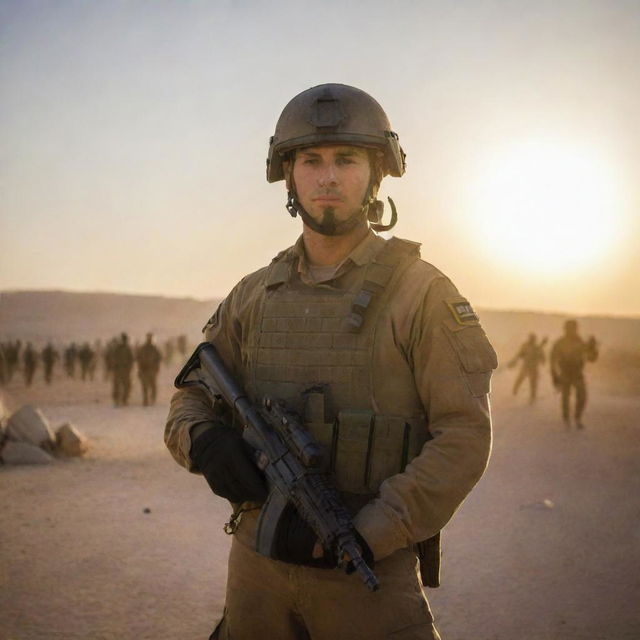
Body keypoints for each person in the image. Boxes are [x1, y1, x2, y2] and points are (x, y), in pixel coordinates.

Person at [165, 83, 497, 640]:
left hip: (363, 567)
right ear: (289, 176)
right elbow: (192, 393)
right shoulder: (253, 295)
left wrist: (371, 532)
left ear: (376, 174)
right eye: (311, 161)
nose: (327, 177)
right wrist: (201, 439)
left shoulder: (423, 295)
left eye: (346, 159)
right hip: (257, 566)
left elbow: (464, 435)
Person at [550, 319, 598, 429]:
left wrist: (593, 348)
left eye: (573, 328)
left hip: (577, 373)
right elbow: (552, 360)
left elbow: (591, 358)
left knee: (582, 397)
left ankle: (577, 418)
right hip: (565, 373)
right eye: (569, 328)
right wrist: (554, 376)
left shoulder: (580, 342)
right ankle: (567, 419)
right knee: (565, 398)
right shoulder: (560, 343)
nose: (572, 331)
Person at [508, 333, 547, 402]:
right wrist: (514, 362)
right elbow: (519, 354)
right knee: (520, 379)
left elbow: (542, 356)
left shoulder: (537, 347)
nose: (532, 340)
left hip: (534, 367)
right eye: (531, 339)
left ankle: (532, 397)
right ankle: (515, 390)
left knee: (533, 383)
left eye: (533, 339)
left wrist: (543, 360)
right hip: (526, 366)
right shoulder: (526, 346)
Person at [136, 332, 162, 406]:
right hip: (145, 370)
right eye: (148, 337)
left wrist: (156, 367)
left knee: (152, 385)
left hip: (151, 370)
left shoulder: (154, 348)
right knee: (145, 386)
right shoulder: (143, 348)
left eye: (150, 337)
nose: (149, 339)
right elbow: (138, 358)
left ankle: (152, 398)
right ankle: (146, 399)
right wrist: (140, 368)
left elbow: (158, 358)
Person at [111, 333, 134, 407]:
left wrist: (129, 368)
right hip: (118, 370)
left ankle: (124, 399)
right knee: (117, 386)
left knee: (127, 386)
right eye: (123, 339)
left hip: (125, 370)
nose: (124, 341)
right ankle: (116, 400)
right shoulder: (117, 348)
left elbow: (131, 359)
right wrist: (115, 365)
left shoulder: (128, 349)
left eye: (125, 339)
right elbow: (113, 358)